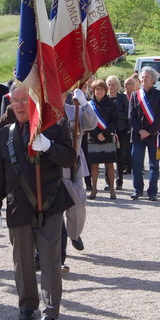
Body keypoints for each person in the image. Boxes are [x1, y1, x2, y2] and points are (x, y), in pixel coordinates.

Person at [0, 86, 76, 320]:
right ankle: (27, 304)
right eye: (15, 101)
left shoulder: (55, 127)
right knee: (22, 261)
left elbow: (70, 159)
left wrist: (48, 146)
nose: (19, 105)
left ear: (35, 101)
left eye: (24, 99)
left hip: (50, 203)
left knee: (49, 260)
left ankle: (50, 312)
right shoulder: (5, 134)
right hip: (19, 205)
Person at [60, 88, 98, 272]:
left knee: (79, 205)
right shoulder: (45, 112)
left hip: (74, 163)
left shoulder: (72, 109)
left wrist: (84, 103)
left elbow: (91, 123)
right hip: (55, 165)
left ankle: (74, 234)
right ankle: (55, 253)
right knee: (54, 212)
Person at [128, 66, 160, 201]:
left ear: (153, 80)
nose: (143, 79)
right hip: (138, 135)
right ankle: (137, 190)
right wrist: (140, 130)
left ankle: (152, 192)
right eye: (142, 76)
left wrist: (149, 132)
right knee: (136, 163)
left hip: (154, 136)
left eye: (147, 77)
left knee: (153, 165)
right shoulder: (135, 95)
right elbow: (131, 116)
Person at [86, 79, 117, 200]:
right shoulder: (88, 105)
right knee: (94, 165)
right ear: (93, 91)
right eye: (96, 89)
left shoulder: (111, 104)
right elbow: (86, 122)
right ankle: (94, 189)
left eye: (101, 89)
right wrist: (95, 134)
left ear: (105, 90)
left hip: (107, 137)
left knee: (109, 164)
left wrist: (105, 133)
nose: (99, 91)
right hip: (93, 138)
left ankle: (112, 189)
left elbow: (114, 122)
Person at [107, 75, 130, 189]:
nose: (111, 87)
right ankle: (108, 181)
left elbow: (128, 114)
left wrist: (116, 116)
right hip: (108, 132)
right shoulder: (104, 98)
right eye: (109, 84)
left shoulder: (122, 98)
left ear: (118, 86)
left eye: (113, 84)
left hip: (121, 131)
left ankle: (119, 181)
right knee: (108, 157)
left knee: (120, 157)